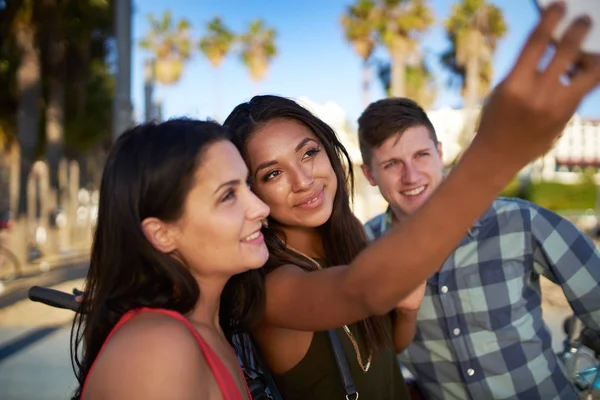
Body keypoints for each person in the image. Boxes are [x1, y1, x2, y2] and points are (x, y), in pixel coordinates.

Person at [71, 4, 599, 399]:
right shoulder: (268, 284)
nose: (303, 181)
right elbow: (362, 291)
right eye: (268, 175)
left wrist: (407, 310)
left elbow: (380, 352)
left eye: (309, 152)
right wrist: (496, 153)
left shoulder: (347, 242)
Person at [359, 96, 600, 399]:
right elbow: (373, 354)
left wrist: (585, 368)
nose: (411, 176)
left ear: (439, 152)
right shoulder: (363, 251)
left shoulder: (519, 220)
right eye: (392, 163)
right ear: (369, 174)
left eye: (421, 155)